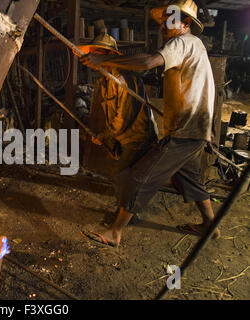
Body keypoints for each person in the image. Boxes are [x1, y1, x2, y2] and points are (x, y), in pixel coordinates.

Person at [80, 0, 220, 246]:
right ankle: (210, 224)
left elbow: (147, 63)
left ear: (186, 23)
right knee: (189, 178)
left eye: (171, 19)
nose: (164, 24)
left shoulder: (182, 42)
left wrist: (103, 62)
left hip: (186, 130)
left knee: (140, 177)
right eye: (164, 19)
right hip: (194, 128)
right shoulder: (195, 46)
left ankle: (115, 232)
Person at [79, 32, 157, 212]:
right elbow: (110, 114)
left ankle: (130, 213)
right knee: (123, 175)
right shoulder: (105, 80)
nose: (94, 58)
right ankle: (127, 208)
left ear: (111, 56)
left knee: (121, 174)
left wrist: (105, 136)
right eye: (94, 53)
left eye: (99, 53)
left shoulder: (123, 79)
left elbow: (123, 117)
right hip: (123, 136)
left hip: (137, 137)